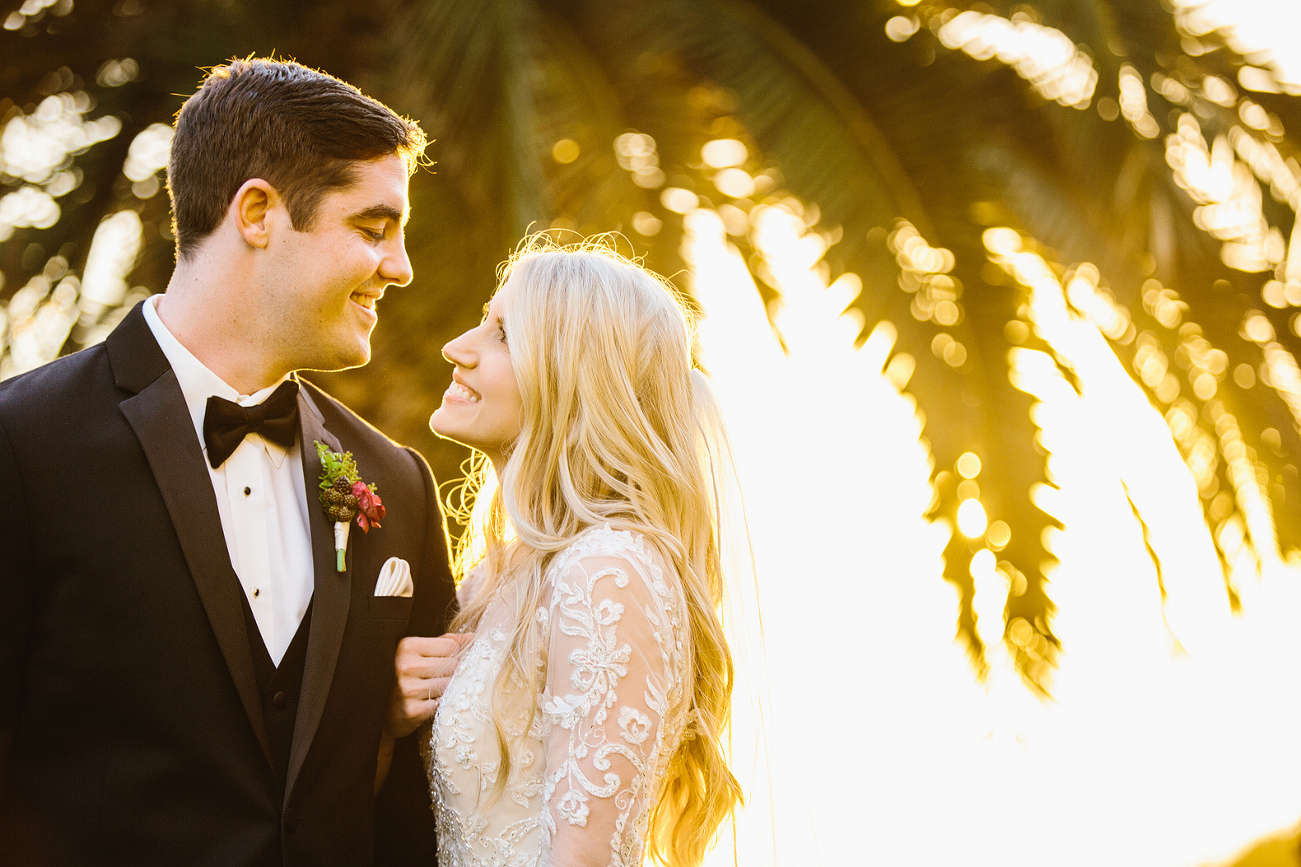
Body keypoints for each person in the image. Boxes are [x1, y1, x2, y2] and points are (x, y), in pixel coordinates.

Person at [0, 58, 460, 865]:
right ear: (257, 212)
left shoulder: (396, 483)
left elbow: (410, 805)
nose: (401, 267)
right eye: (372, 227)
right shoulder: (22, 443)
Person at [419, 240, 743, 866]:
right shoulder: (500, 573)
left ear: (571, 374)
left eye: (504, 334)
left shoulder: (608, 571)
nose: (457, 347)